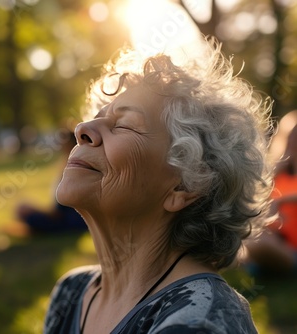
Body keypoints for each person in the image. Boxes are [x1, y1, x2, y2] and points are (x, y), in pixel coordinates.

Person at [44, 39, 274, 334]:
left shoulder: (199, 322)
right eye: (96, 117)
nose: (81, 130)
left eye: (123, 124)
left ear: (186, 184)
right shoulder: (71, 293)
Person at [243, 115, 297, 274]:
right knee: (254, 237)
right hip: (276, 240)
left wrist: (280, 202)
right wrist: (273, 173)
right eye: (292, 137)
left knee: (260, 243)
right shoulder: (278, 177)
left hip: (291, 249)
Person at [14, 131, 87, 234]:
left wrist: (36, 210)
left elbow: (59, 212)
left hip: (71, 222)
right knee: (24, 209)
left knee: (25, 212)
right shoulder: (71, 164)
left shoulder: (74, 169)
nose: (59, 145)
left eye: (62, 142)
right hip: (70, 218)